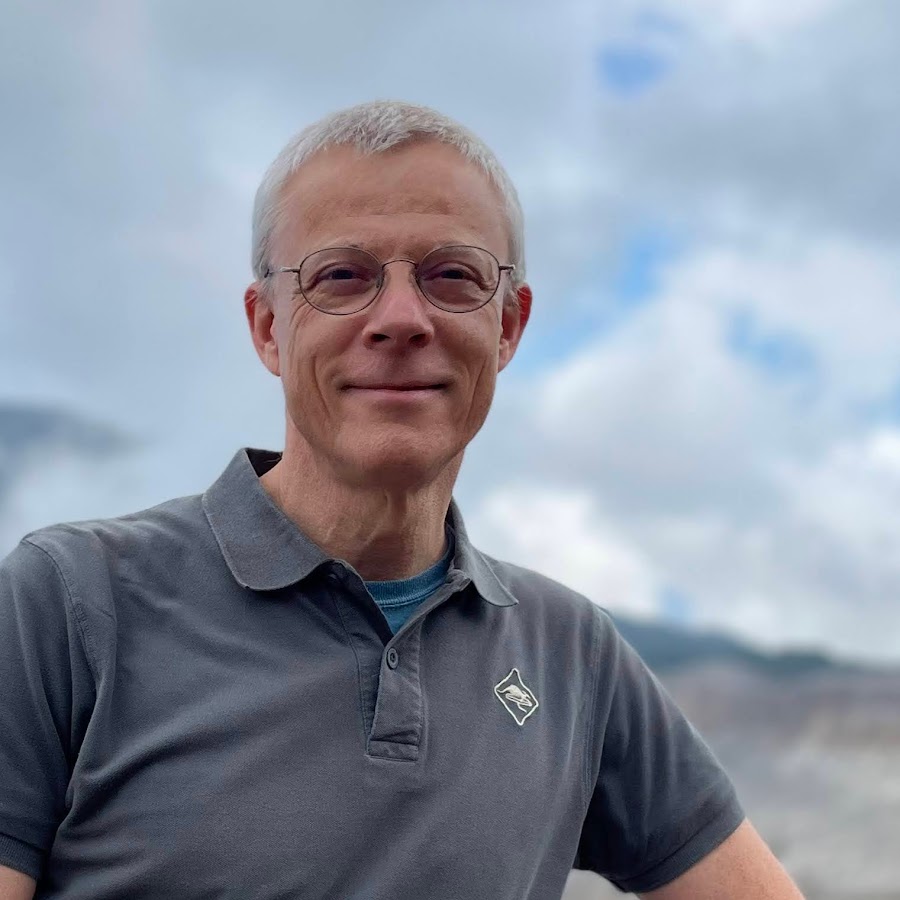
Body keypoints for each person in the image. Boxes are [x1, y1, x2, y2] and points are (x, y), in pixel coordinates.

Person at [0, 100, 804, 900]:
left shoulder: (570, 655)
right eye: (341, 276)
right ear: (268, 327)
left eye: (451, 276)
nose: (399, 319)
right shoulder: (69, 604)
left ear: (509, 327)